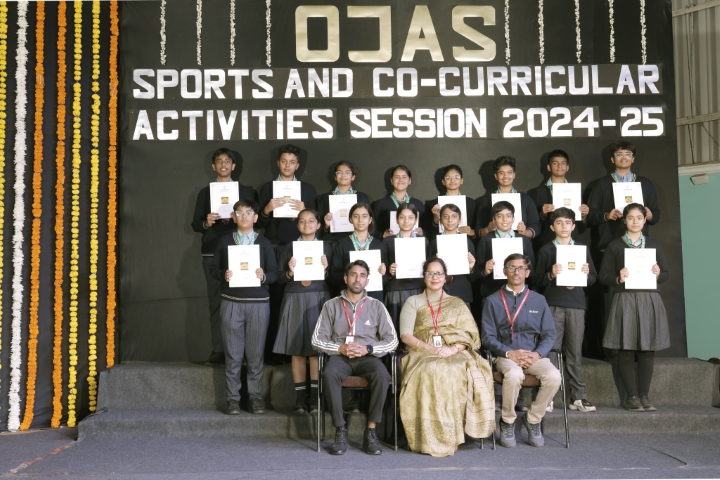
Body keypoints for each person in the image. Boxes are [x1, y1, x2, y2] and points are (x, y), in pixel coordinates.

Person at [399, 257, 495, 457]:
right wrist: (432, 349)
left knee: (455, 368)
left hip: (455, 351)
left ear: (446, 278)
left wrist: (453, 349)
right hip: (422, 351)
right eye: (430, 273)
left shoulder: (457, 303)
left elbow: (470, 335)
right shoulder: (413, 301)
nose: (434, 277)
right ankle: (431, 437)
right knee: (432, 369)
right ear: (424, 277)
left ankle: (454, 435)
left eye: (439, 273)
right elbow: (406, 336)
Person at [312, 260, 399, 455]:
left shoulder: (377, 306)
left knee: (382, 374)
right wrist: (340, 348)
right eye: (353, 274)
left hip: (367, 357)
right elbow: (316, 340)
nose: (357, 279)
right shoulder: (331, 305)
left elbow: (392, 341)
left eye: (362, 275)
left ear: (367, 281)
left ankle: (371, 431)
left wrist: (368, 349)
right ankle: (340, 430)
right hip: (340, 357)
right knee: (329, 374)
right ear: (345, 278)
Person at [481, 254, 560, 448]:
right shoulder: (492, 300)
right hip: (505, 355)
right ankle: (507, 421)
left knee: (554, 376)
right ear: (504, 271)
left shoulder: (539, 300)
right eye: (511, 267)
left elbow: (550, 334)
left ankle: (533, 419)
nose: (516, 272)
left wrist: (537, 354)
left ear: (527, 273)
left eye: (521, 268)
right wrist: (510, 353)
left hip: (533, 355)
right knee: (514, 373)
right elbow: (487, 337)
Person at [598, 203, 670, 412]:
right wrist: (618, 278)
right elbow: (603, 276)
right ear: (624, 220)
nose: (635, 222)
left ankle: (644, 396)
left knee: (647, 350)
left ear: (645, 220)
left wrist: (658, 273)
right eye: (630, 218)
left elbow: (666, 274)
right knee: (627, 349)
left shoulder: (654, 244)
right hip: (625, 299)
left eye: (639, 218)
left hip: (649, 299)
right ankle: (632, 397)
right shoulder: (614, 245)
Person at [209, 199, 278, 415]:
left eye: (249, 213)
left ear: (256, 217)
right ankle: (233, 399)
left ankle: (255, 397)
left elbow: (274, 273)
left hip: (258, 303)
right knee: (233, 354)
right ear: (234, 216)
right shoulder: (224, 241)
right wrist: (223, 274)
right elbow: (213, 268)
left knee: (256, 354)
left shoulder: (264, 243)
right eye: (240, 213)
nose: (244, 217)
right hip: (231, 301)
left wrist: (263, 276)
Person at [191, 148, 257, 366]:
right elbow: (195, 224)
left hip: (242, 250)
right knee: (216, 302)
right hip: (213, 251)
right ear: (213, 166)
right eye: (219, 161)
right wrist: (207, 222)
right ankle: (219, 350)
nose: (223, 165)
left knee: (244, 303)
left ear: (233, 166)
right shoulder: (205, 193)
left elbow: (256, 220)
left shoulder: (246, 191)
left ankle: (244, 351)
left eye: (227, 161)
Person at [533, 208, 597, 413]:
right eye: (559, 222)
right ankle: (548, 396)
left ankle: (578, 397)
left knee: (574, 351)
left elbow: (593, 278)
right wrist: (551, 274)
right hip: (553, 304)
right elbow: (536, 281)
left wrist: (586, 274)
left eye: (567, 222)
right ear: (552, 227)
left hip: (576, 305)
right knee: (552, 349)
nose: (564, 226)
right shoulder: (546, 250)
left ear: (574, 226)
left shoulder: (582, 249)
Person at [273, 209, 332, 414]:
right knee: (296, 350)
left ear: (318, 224)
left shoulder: (326, 247)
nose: (307, 225)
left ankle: (315, 397)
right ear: (297, 225)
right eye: (302, 221)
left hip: (318, 297)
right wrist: (290, 272)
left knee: (316, 349)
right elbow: (279, 277)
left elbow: (334, 277)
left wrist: (325, 270)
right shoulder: (289, 248)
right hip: (295, 297)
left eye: (311, 221)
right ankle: (300, 397)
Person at [586, 141, 660, 253]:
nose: (624, 157)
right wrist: (607, 215)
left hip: (639, 246)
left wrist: (650, 215)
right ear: (612, 159)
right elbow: (590, 215)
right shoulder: (601, 184)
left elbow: (656, 215)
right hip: (609, 244)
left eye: (627, 154)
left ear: (633, 159)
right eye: (619, 154)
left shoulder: (645, 184)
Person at [528, 150, 589, 251]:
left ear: (567, 167)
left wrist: (583, 216)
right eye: (555, 163)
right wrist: (542, 214)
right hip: (546, 244)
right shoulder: (538, 192)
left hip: (571, 245)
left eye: (563, 163)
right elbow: (533, 223)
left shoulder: (575, 191)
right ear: (549, 167)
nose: (560, 166)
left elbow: (581, 228)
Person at [257, 144, 317, 246]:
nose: (287, 165)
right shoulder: (267, 188)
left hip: (301, 242)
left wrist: (304, 211)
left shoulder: (308, 189)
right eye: (284, 161)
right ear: (278, 163)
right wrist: (267, 209)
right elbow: (259, 224)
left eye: (292, 162)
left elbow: (316, 223)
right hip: (274, 243)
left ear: (297, 165)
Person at [329, 203, 388, 303]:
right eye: (356, 216)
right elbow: (333, 277)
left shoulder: (380, 245)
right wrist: (349, 274)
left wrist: (382, 273)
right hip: (349, 298)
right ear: (350, 219)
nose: (360, 220)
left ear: (370, 220)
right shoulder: (341, 244)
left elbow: (386, 280)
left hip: (373, 298)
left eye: (364, 216)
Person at [384, 203, 428, 335]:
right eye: (402, 217)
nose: (406, 221)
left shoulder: (424, 241)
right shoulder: (387, 241)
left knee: (418, 329)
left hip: (418, 289)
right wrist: (390, 271)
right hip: (396, 290)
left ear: (415, 220)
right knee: (396, 329)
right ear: (397, 219)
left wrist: (426, 266)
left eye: (410, 217)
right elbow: (382, 270)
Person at [477, 201, 536, 298]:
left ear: (513, 219)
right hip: (493, 291)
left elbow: (532, 269)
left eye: (508, 216)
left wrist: (525, 269)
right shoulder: (485, 240)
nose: (505, 220)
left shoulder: (524, 240)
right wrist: (485, 271)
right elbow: (477, 272)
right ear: (494, 220)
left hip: (519, 292)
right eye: (500, 216)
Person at [474, 155, 541, 240]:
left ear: (514, 175)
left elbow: (536, 225)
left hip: (520, 243)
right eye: (501, 173)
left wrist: (525, 233)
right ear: (496, 176)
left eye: (509, 172)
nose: (506, 176)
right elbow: (478, 229)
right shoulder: (486, 201)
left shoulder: (525, 199)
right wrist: (488, 229)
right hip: (494, 243)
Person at [427, 204, 478, 308]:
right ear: (440, 220)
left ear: (460, 220)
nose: (450, 220)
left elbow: (474, 277)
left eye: (454, 216)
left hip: (462, 292)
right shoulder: (434, 243)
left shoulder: (467, 242)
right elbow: (427, 273)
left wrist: (471, 268)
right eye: (445, 216)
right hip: (439, 294)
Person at [316, 161, 371, 243]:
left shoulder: (361, 197)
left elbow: (369, 222)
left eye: (347, 172)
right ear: (335, 177)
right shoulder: (325, 198)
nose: (343, 175)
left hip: (356, 241)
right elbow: (317, 225)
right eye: (339, 173)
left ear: (353, 177)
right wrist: (326, 226)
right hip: (332, 241)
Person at [372, 165, 426, 238]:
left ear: (410, 181)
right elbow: (371, 229)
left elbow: (427, 228)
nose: (401, 180)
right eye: (397, 177)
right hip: (389, 243)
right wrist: (382, 235)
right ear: (391, 181)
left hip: (413, 244)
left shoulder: (418, 204)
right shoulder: (380, 204)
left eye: (404, 177)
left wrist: (422, 233)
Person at [427, 164, 477, 241]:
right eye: (448, 178)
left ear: (461, 180)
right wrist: (435, 218)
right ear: (443, 181)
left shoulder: (471, 203)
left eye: (456, 177)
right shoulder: (433, 204)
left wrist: (472, 232)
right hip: (442, 243)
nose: (452, 181)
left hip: (465, 243)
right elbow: (430, 234)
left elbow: (476, 232)